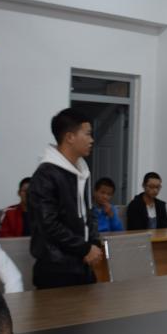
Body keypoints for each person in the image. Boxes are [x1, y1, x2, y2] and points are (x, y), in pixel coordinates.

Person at [28, 108, 104, 289]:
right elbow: (49, 224)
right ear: (70, 137)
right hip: (56, 268)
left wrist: (93, 244)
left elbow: (89, 213)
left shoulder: (81, 171)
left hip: (82, 264)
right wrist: (84, 248)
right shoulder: (46, 174)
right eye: (87, 134)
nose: (92, 140)